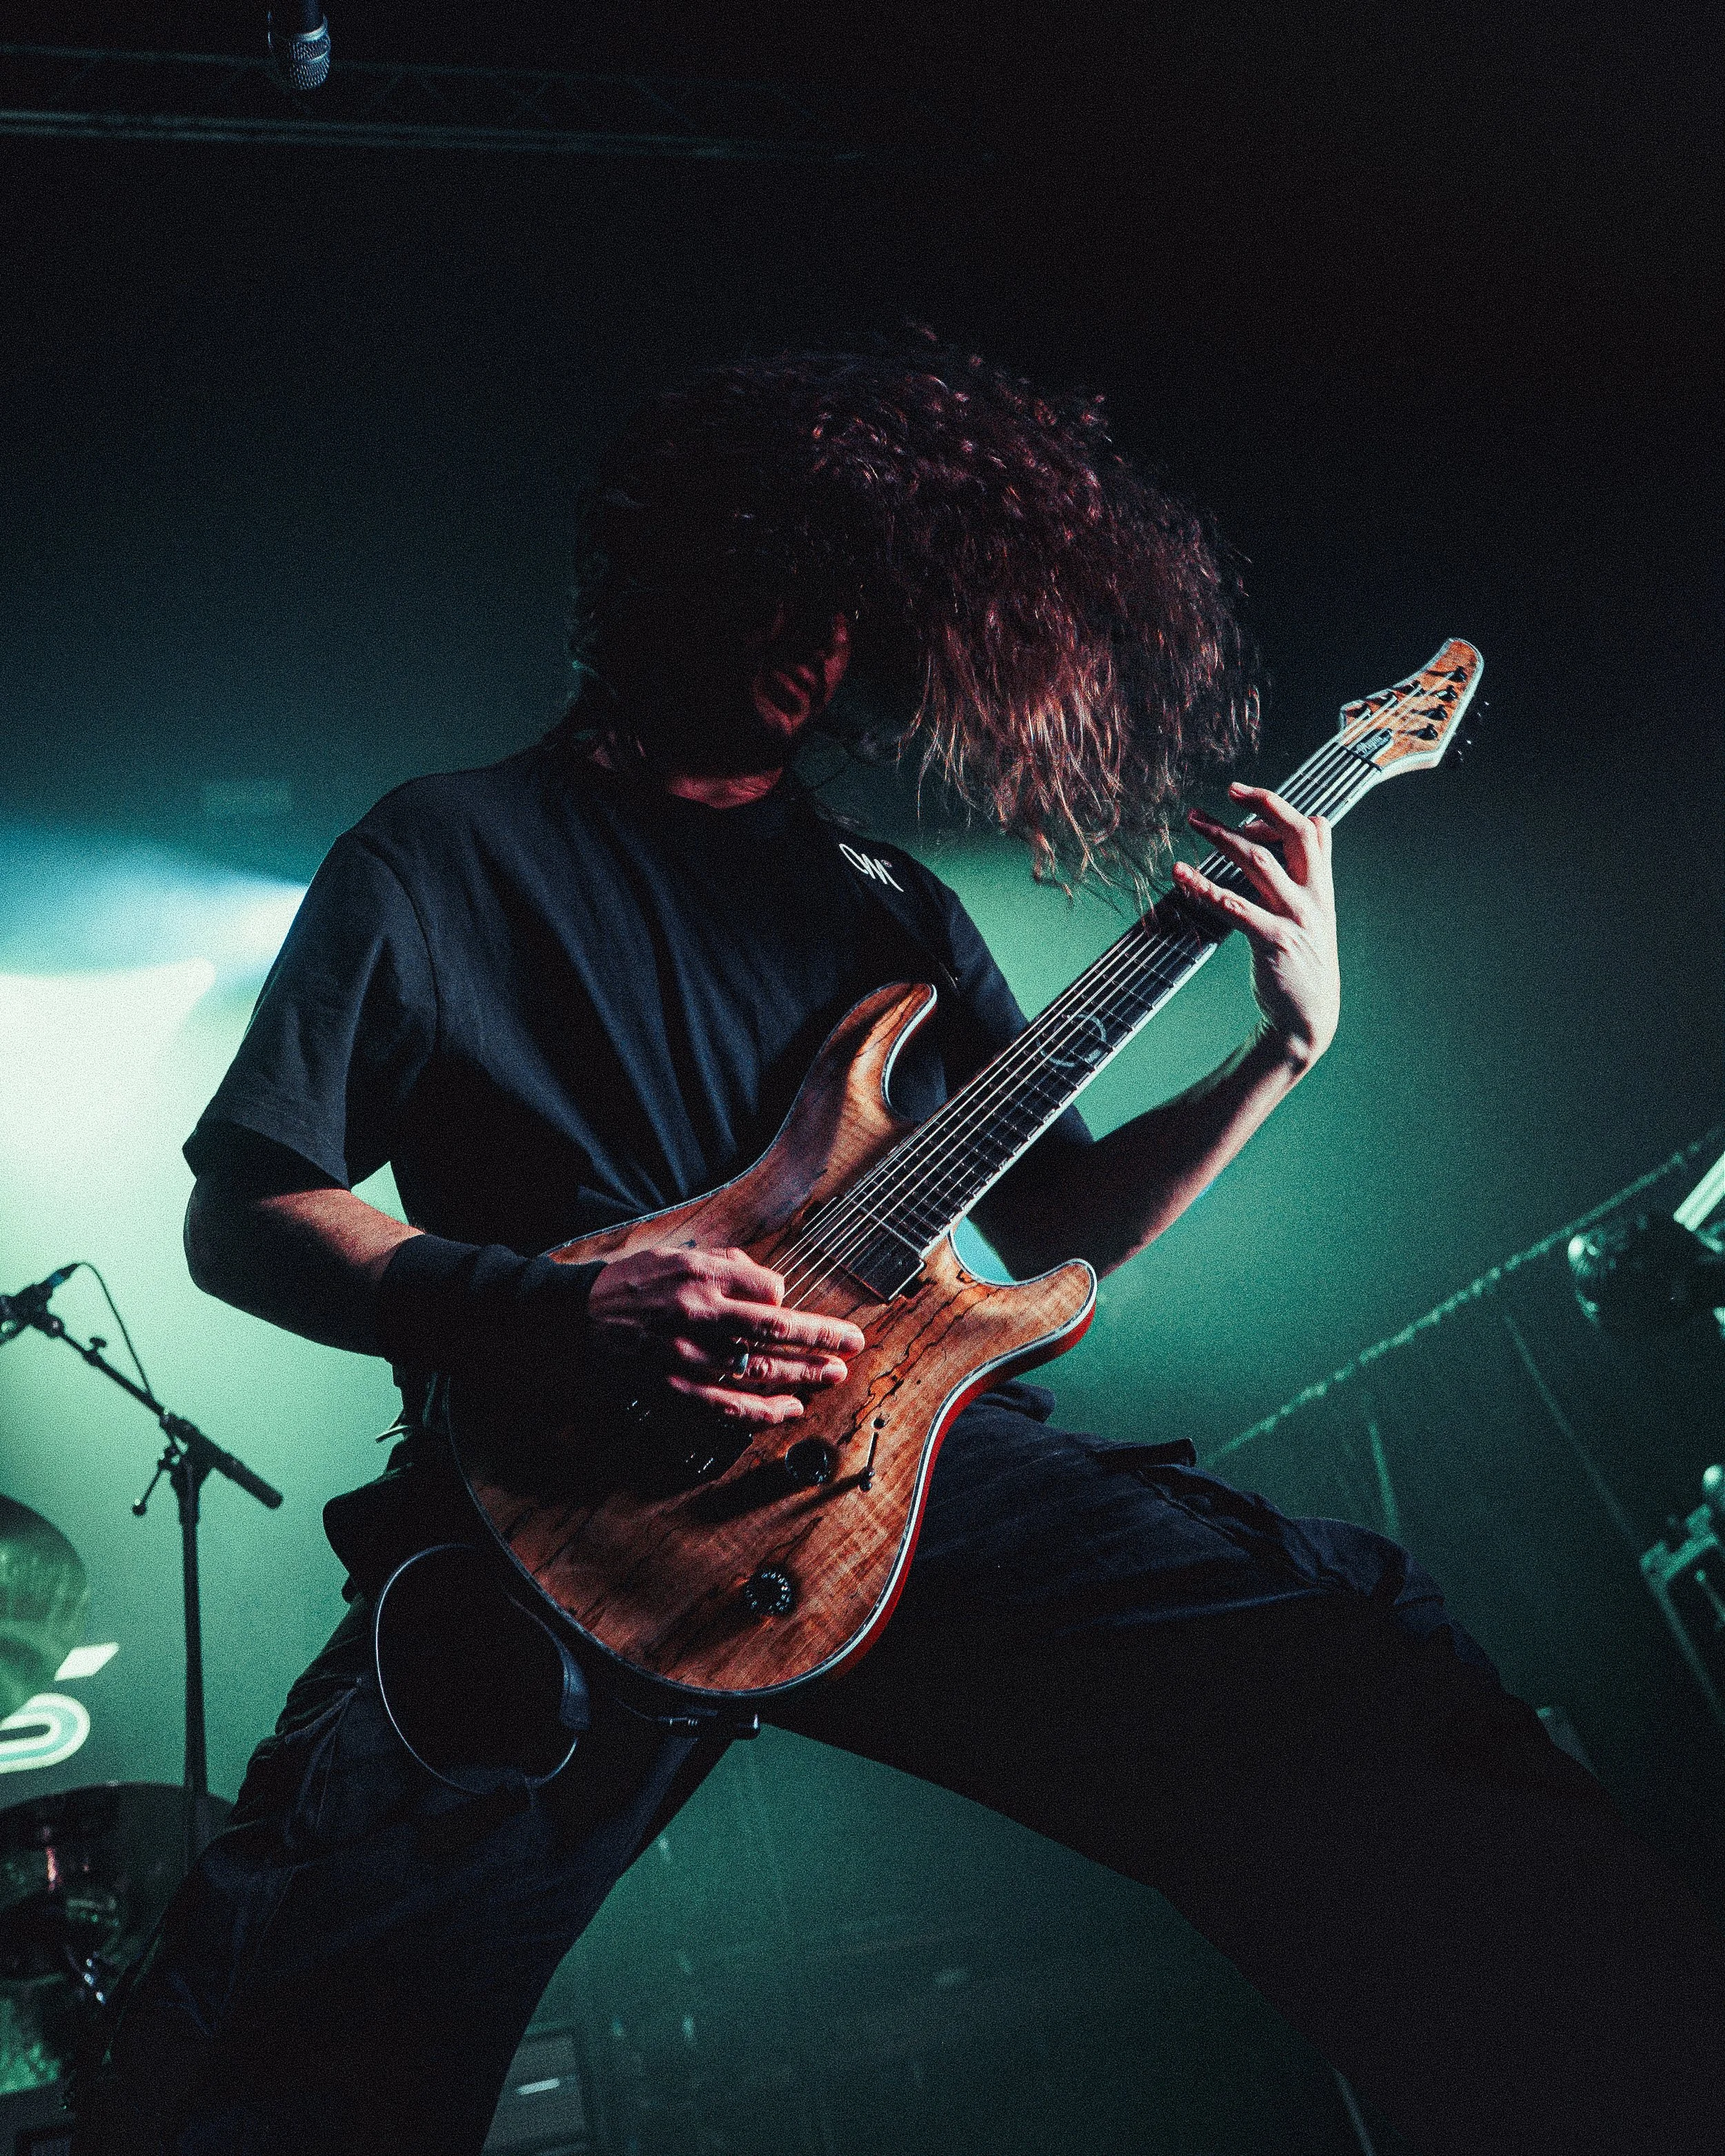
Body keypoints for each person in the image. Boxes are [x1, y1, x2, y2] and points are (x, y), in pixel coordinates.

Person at [75, 339, 1725, 2155]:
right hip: (549, 1524)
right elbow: (248, 1205)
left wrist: (1278, 1042)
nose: (813, 638)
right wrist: (558, 1306)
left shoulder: (884, 905)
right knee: (270, 2044)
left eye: (840, 602)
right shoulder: (446, 851)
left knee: (1355, 1673)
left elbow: (1053, 1230)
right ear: (650, 580)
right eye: (771, 583)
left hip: (901, 1476)